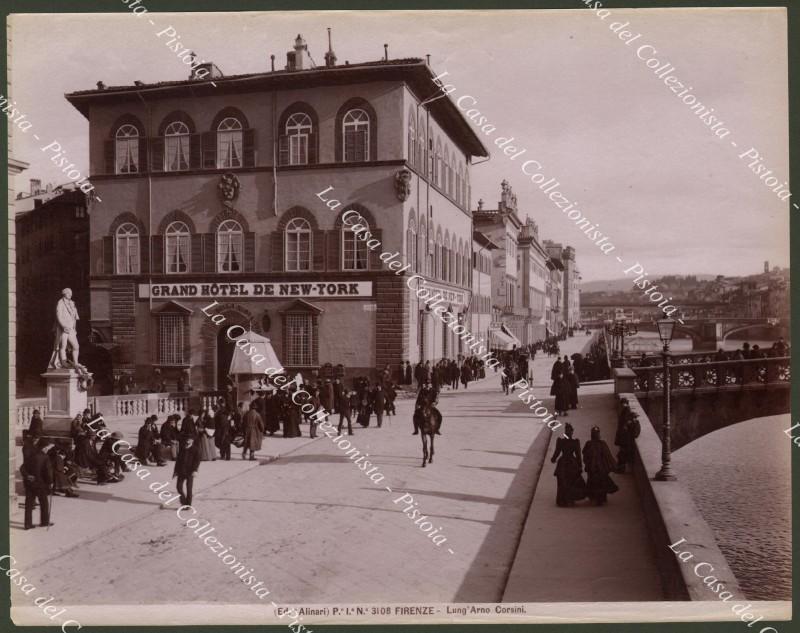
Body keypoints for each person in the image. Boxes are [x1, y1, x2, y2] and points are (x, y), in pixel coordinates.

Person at [21, 437, 55, 530]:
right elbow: (48, 472)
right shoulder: (45, 457)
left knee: (29, 504)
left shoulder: (31, 455)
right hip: (41, 484)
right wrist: (51, 482)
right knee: (44, 502)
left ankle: (27, 524)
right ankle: (44, 522)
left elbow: (22, 468)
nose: (48, 450)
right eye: (48, 448)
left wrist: (27, 476)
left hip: (30, 483)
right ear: (44, 447)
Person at [550, 423, 586, 507]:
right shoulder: (574, 442)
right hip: (571, 463)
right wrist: (580, 466)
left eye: (568, 431)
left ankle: (563, 500)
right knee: (569, 481)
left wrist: (553, 459)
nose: (568, 432)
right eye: (568, 431)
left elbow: (557, 452)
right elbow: (578, 456)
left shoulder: (561, 441)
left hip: (564, 464)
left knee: (563, 482)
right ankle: (569, 499)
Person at [582, 426, 619, 505]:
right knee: (598, 483)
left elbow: (607, 455)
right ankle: (598, 498)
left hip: (597, 468)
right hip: (596, 468)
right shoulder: (593, 444)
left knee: (598, 483)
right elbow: (585, 454)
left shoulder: (597, 444)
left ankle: (598, 498)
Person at [174, 435, 200, 506]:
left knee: (189, 488)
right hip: (181, 471)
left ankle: (188, 504)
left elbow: (197, 461)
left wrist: (195, 470)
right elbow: (178, 461)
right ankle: (183, 501)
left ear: (192, 440)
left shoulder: (195, 449)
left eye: (189, 439)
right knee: (178, 487)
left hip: (190, 471)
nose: (187, 441)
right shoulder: (182, 448)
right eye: (187, 439)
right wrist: (175, 471)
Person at [615, 404, 641, 473]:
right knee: (623, 456)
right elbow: (635, 434)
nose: (634, 419)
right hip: (627, 443)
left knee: (623, 456)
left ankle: (620, 469)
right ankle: (620, 469)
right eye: (633, 418)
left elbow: (635, 434)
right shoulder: (630, 424)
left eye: (635, 418)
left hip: (627, 443)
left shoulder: (632, 424)